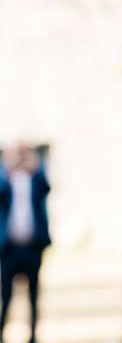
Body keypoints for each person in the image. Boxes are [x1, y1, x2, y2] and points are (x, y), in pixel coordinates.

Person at [0, 142, 51, 343]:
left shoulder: (35, 179)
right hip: (10, 247)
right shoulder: (6, 179)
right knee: (6, 294)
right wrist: (8, 166)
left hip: (32, 246)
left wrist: (35, 164)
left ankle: (33, 336)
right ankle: (2, 332)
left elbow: (46, 186)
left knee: (33, 295)